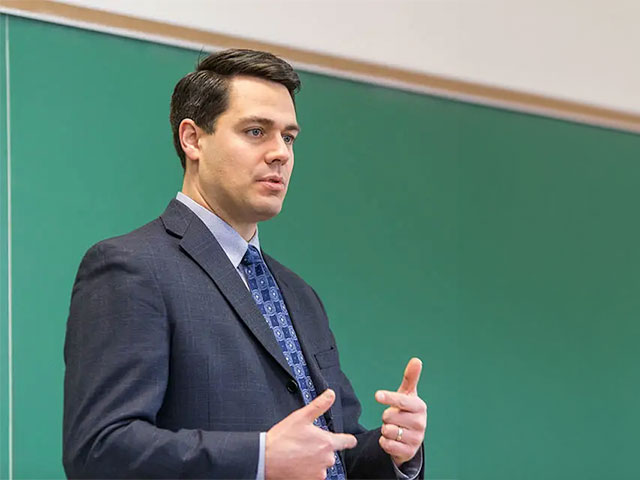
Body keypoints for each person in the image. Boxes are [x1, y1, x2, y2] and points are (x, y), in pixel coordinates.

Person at [63, 49, 427, 479]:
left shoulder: (297, 294)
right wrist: (259, 458)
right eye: (256, 131)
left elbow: (335, 451)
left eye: (289, 137)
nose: (280, 154)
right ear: (193, 139)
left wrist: (396, 451)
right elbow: (99, 451)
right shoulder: (130, 268)